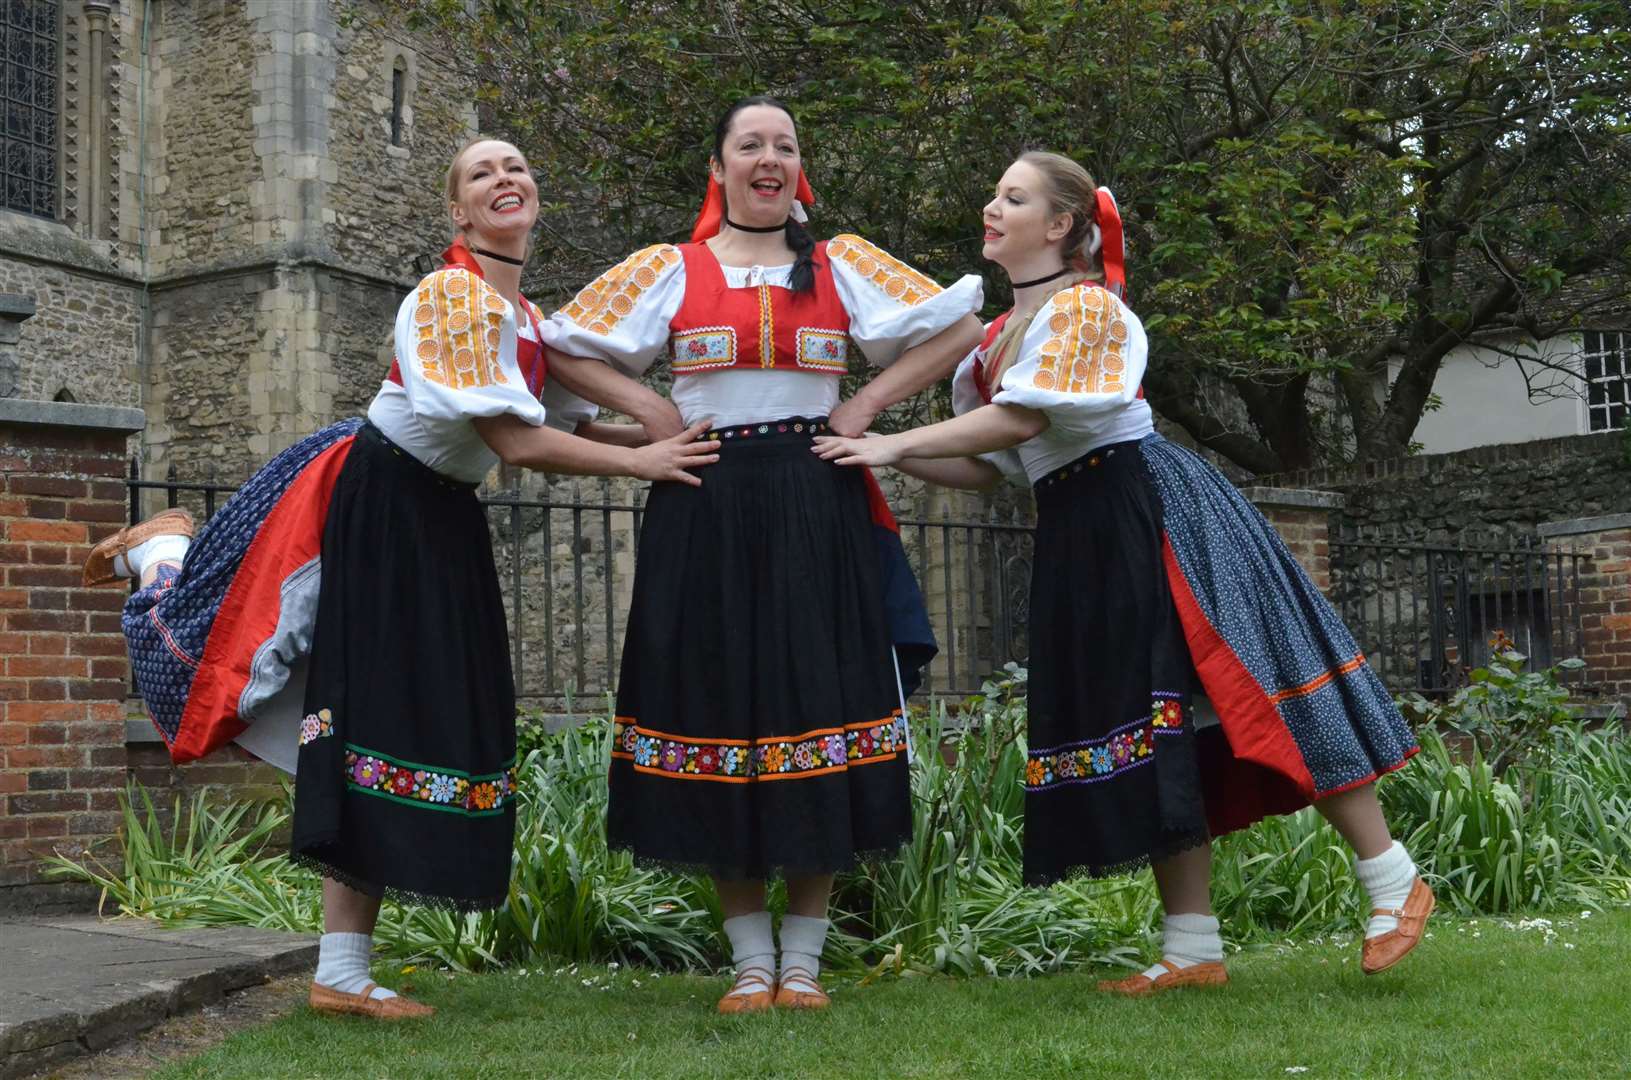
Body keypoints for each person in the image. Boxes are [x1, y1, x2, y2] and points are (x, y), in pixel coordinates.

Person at [82, 138, 717, 1020]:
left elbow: (545, 428)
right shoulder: (450, 299)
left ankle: (344, 970)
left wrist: (654, 442)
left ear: (536, 198)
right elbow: (520, 444)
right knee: (346, 702)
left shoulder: (520, 318)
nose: (506, 178)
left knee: (423, 715)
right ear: (457, 212)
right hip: (379, 504)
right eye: (482, 173)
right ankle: (160, 561)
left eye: (519, 168)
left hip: (438, 514)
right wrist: (644, 462)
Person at [813, 151, 1433, 995]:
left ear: (1060, 225)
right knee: (1158, 723)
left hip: (1152, 511)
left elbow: (1026, 416)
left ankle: (1393, 882)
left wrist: (889, 437)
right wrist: (872, 460)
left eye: (1013, 197)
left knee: (1250, 690)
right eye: (994, 193)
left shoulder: (1088, 313)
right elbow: (993, 464)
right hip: (1080, 528)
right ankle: (1191, 950)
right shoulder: (995, 342)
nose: (991, 208)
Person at [542, 95, 984, 1012]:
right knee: (714, 699)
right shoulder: (670, 269)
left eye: (785, 144)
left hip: (814, 495)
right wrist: (654, 415)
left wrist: (863, 408)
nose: (769, 158)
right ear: (721, 168)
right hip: (703, 495)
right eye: (751, 145)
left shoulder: (840, 265)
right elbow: (555, 347)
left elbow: (958, 329)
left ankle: (804, 963)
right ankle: (749, 961)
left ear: (798, 170)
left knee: (814, 699)